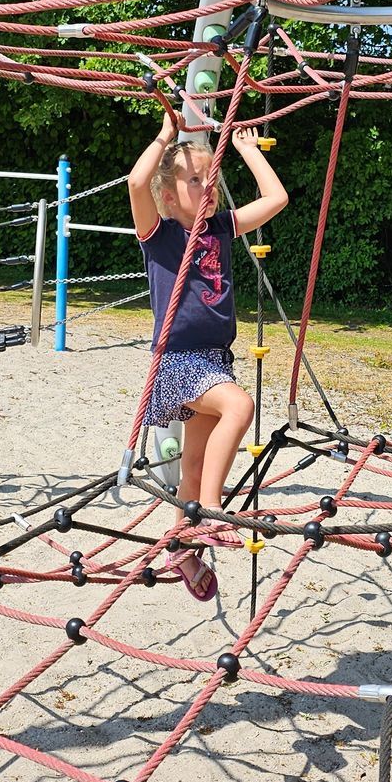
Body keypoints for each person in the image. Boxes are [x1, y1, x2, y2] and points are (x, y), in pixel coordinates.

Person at [128, 111, 288, 601]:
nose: (207, 185)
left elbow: (277, 200)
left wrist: (244, 151)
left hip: (215, 360)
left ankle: (184, 547)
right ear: (170, 197)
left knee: (193, 464)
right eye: (195, 180)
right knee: (240, 407)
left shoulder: (219, 228)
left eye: (212, 178)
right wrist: (163, 137)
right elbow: (137, 181)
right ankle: (211, 515)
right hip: (178, 360)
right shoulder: (162, 235)